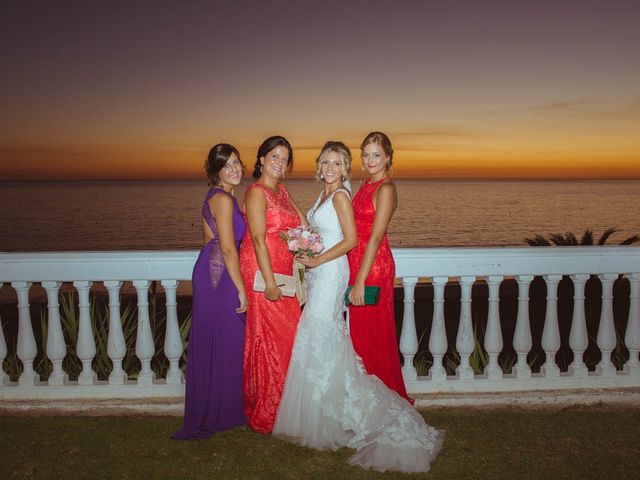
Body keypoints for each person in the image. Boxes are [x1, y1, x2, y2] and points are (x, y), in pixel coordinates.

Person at [273, 141, 444, 473]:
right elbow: (321, 230)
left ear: (345, 169)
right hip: (321, 269)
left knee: (319, 331)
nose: (330, 168)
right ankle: (322, 409)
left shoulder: (339, 196)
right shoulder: (324, 195)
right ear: (319, 166)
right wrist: (302, 244)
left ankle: (346, 412)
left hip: (333, 270)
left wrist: (318, 257)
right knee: (319, 334)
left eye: (337, 163)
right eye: (326, 162)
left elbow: (351, 239)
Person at [172, 143, 247, 440]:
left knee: (222, 340)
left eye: (237, 162)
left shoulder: (219, 196)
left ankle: (220, 408)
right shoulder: (224, 200)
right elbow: (228, 248)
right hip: (220, 276)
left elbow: (211, 241)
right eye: (227, 165)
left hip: (208, 269)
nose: (235, 169)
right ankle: (219, 411)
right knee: (228, 338)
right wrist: (241, 289)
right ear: (216, 171)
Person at [239, 135, 307, 434]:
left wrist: (304, 243)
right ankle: (269, 407)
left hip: (284, 267)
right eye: (275, 156)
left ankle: (288, 404)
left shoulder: (281, 189)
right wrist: (268, 282)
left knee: (289, 337)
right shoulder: (256, 193)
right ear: (262, 159)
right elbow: (256, 238)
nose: (280, 163)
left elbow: (302, 223)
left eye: (285, 158)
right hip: (262, 268)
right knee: (270, 337)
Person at [347, 131, 413, 403]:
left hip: (372, 267)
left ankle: (380, 398)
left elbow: (375, 237)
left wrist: (361, 280)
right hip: (358, 262)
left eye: (376, 155)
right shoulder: (365, 183)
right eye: (366, 155)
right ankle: (365, 398)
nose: (370, 160)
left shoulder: (386, 188)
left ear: (387, 158)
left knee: (371, 337)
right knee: (360, 336)